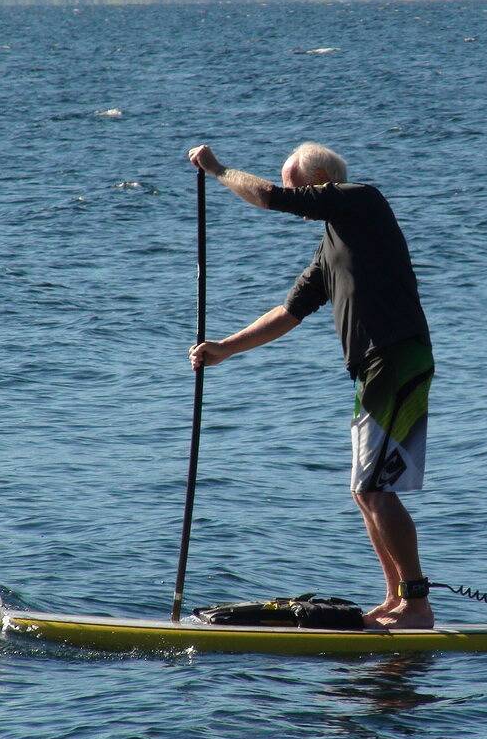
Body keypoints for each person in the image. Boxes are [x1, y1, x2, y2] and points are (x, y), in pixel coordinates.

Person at [186, 142, 435, 629]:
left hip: (397, 356)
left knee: (375, 489)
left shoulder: (361, 200)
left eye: (296, 183)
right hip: (373, 367)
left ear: (320, 178)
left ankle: (417, 605)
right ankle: (394, 599)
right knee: (366, 492)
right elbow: (288, 313)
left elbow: (268, 197)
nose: (293, 197)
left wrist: (216, 171)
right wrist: (224, 349)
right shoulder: (332, 245)